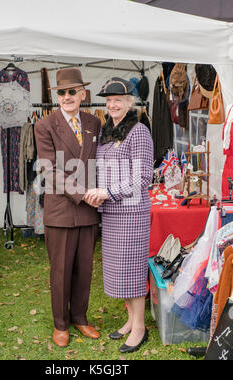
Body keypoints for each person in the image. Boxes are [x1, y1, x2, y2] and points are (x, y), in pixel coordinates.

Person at [85, 77, 153, 353]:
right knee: (120, 269)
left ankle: (139, 328)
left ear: (129, 102)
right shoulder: (107, 130)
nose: (112, 104)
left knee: (132, 270)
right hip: (112, 211)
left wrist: (108, 192)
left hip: (132, 210)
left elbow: (144, 176)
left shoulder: (138, 131)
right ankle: (130, 320)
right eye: (109, 100)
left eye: (118, 100)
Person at [34, 68, 102, 347]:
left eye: (72, 91)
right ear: (56, 97)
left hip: (88, 212)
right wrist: (84, 194)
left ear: (82, 94)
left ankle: (80, 318)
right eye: (61, 92)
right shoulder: (44, 125)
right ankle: (60, 324)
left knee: (84, 269)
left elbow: (100, 161)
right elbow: (48, 171)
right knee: (60, 271)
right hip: (61, 210)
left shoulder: (94, 123)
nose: (66, 97)